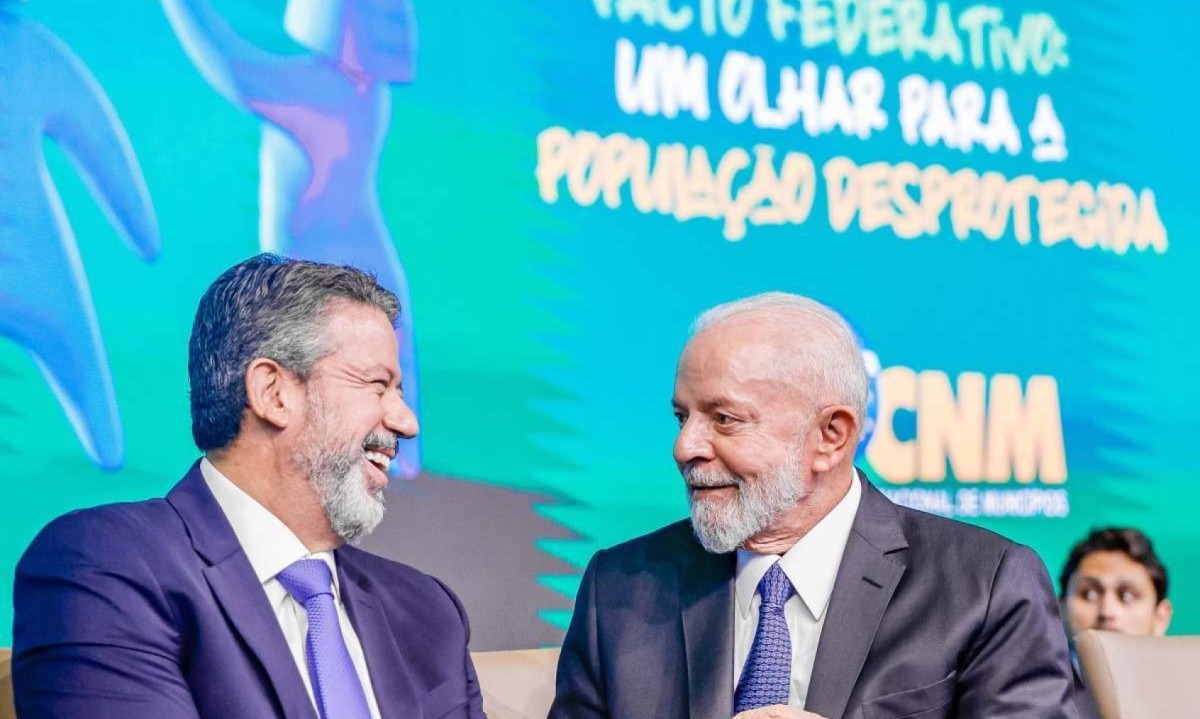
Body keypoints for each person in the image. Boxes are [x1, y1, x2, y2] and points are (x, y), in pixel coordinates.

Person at [550, 292, 1079, 719]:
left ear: (831, 435)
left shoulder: (983, 587)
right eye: (681, 416)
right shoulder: (621, 586)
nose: (685, 447)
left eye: (724, 419)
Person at [13, 254, 484, 719]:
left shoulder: (426, 611)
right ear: (273, 393)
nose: (406, 422)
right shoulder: (108, 564)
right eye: (378, 385)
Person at [1058, 527, 1173, 719]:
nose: (1107, 612)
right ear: (1060, 609)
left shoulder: (1188, 694)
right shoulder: (1031, 695)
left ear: (1160, 617)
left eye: (1127, 596)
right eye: (1089, 594)